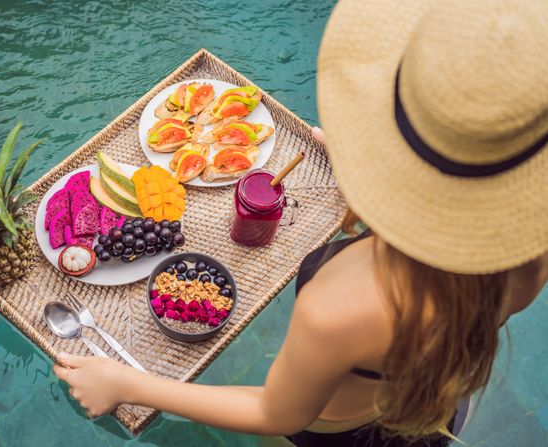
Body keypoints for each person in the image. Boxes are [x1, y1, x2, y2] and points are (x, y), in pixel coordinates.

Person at [54, 0, 548, 445]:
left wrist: (129, 385)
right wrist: (370, 173)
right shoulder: (530, 247)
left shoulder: (341, 303)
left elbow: (276, 412)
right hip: (433, 405)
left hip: (335, 433)